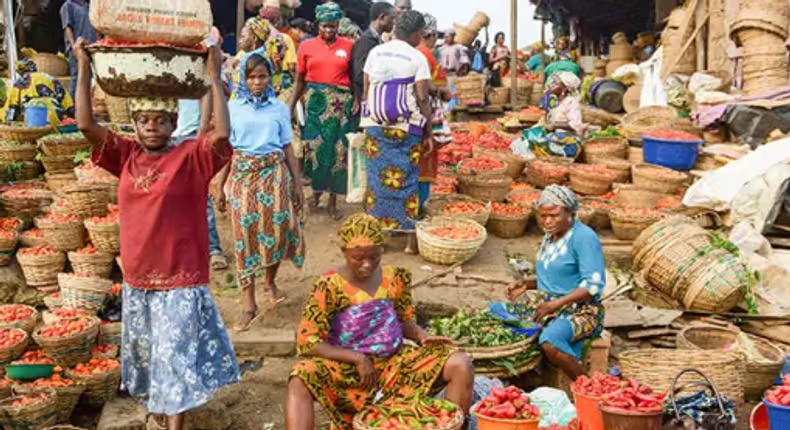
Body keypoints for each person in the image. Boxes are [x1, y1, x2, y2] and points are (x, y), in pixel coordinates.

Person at [73, 38, 240, 430]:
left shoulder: (191, 157)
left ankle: (174, 426)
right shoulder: (125, 155)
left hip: (180, 278)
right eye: (145, 120)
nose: (152, 126)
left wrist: (214, 78)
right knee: (152, 358)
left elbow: (221, 136)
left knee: (173, 357)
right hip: (139, 278)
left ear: (171, 124)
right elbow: (84, 123)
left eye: (160, 120)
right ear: (134, 122)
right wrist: (82, 66)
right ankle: (161, 417)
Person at [285, 213, 474, 430]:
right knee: (299, 379)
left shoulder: (394, 278)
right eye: (358, 258)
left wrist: (422, 335)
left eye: (374, 257)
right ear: (344, 253)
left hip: (395, 364)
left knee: (461, 364)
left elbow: (405, 322)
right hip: (347, 369)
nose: (367, 265)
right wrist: (357, 358)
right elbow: (309, 341)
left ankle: (448, 425)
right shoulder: (329, 286)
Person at [217, 52, 306, 332]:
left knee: (277, 231)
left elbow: (287, 147)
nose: (257, 82)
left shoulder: (279, 108)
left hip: (275, 175)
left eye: (262, 76)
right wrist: (220, 186)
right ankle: (248, 304)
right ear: (243, 79)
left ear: (270, 78)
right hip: (243, 176)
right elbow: (227, 152)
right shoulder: (233, 108)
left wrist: (297, 182)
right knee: (245, 237)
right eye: (251, 77)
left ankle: (270, 280)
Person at [507, 186, 605, 381]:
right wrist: (527, 284)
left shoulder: (583, 237)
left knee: (550, 342)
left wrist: (555, 304)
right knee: (502, 322)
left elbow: (592, 285)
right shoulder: (550, 237)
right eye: (543, 216)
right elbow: (555, 277)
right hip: (550, 307)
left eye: (554, 215)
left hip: (582, 311)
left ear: (570, 212)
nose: (547, 221)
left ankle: (586, 385)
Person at [361, 10, 433, 254]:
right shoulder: (417, 57)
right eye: (421, 34)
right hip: (406, 128)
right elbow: (422, 97)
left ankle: (376, 237)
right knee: (408, 181)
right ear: (415, 34)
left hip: (375, 126)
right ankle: (409, 242)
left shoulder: (375, 52)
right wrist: (429, 132)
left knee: (377, 182)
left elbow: (366, 90)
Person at [289, 2, 356, 220]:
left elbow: (355, 79)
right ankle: (316, 195)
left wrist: (358, 99)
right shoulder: (306, 46)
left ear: (338, 25)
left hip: (341, 107)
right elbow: (299, 80)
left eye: (333, 26)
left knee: (338, 153)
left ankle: (333, 201)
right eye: (325, 26)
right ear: (318, 25)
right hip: (316, 106)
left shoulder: (348, 46)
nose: (329, 31)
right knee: (315, 150)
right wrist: (290, 106)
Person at [173, 97, 229, 271]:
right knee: (171, 199)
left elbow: (206, 92)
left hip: (190, 135)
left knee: (200, 194)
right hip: (165, 137)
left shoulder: (190, 72)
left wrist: (202, 129)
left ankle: (213, 249)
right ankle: (181, 250)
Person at [524, 72, 587, 159]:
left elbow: (576, 124)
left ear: (565, 88)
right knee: (524, 141)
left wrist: (554, 125)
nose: (552, 85)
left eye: (557, 83)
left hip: (568, 141)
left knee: (535, 146)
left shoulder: (571, 102)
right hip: (555, 136)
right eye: (553, 82)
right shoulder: (555, 101)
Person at [0, 59, 74, 124]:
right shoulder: (49, 78)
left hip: (34, 120)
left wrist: (7, 123)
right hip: (56, 118)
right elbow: (66, 100)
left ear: (19, 71)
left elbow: (12, 108)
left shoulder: (20, 83)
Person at [351, 2, 395, 107]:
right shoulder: (366, 41)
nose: (394, 23)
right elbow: (359, 74)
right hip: (366, 99)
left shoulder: (378, 41)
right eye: (392, 18)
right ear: (382, 17)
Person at [60, 0, 97, 99]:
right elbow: (67, 27)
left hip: (91, 47)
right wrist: (74, 46)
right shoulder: (68, 5)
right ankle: (72, 108)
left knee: (91, 78)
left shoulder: (89, 6)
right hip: (78, 48)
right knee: (77, 78)